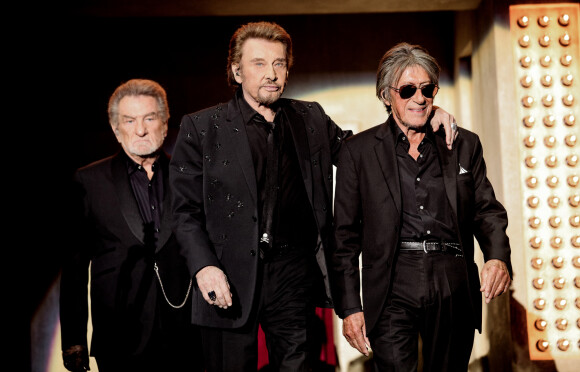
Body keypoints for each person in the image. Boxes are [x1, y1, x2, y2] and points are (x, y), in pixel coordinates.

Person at [169, 22, 457, 372]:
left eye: (279, 63)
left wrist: (422, 115)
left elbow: (365, 155)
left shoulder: (310, 117)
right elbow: (183, 211)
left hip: (295, 275)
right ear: (236, 70)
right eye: (259, 63)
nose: (272, 73)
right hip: (227, 276)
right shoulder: (201, 127)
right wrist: (204, 266)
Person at [330, 42, 513, 371]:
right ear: (387, 95)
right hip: (390, 282)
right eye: (408, 90)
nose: (419, 98)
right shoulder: (358, 152)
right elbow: (343, 238)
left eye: (427, 88)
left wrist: (497, 256)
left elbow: (486, 210)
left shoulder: (462, 144)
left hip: (451, 277)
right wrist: (349, 307)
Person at [59, 79, 203, 372]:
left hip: (185, 332)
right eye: (129, 120)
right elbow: (73, 269)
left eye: (149, 118)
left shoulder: (190, 177)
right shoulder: (88, 181)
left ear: (165, 122)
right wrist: (73, 341)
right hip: (118, 335)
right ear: (115, 128)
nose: (140, 130)